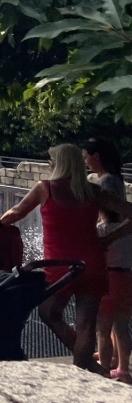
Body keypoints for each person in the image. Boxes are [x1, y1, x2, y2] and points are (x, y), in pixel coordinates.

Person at [0, 142, 132, 375]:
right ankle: (85, 368)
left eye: (52, 161)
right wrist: (108, 239)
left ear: (59, 164)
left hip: (59, 267)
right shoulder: (92, 192)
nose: (50, 164)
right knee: (86, 325)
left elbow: (17, 212)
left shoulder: (46, 189)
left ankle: (84, 369)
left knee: (49, 313)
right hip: (91, 264)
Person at [84, 138, 132, 383]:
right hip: (126, 271)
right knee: (121, 321)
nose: (85, 161)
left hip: (111, 273)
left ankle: (106, 366)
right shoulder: (117, 180)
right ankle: (122, 365)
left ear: (96, 157)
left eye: (86, 156)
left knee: (104, 323)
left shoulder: (105, 184)